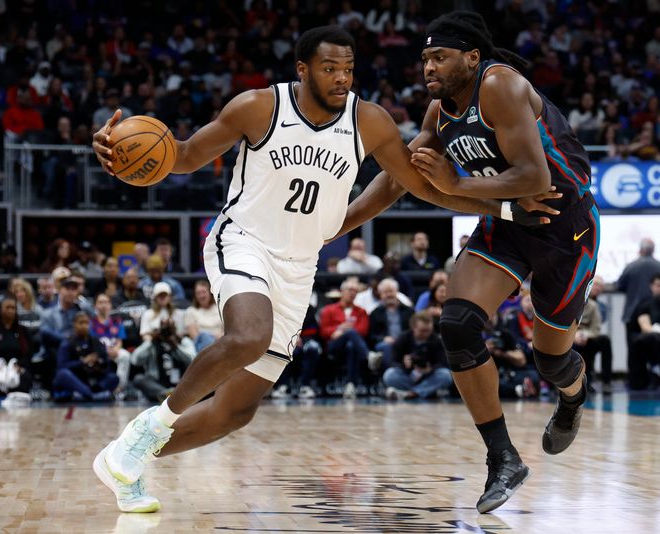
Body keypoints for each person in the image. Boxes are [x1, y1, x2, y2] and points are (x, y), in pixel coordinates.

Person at [90, 26, 523, 514]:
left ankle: (124, 457)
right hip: (244, 241)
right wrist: (121, 158)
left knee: (235, 411)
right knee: (249, 336)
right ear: (302, 70)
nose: (342, 78)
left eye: (348, 69)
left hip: (299, 266)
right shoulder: (258, 107)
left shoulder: (369, 121)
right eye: (329, 68)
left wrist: (502, 209)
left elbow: (416, 185)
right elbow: (186, 155)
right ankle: (152, 425)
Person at [333, 12, 593, 512]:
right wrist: (335, 228)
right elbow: (396, 177)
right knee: (456, 325)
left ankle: (574, 397)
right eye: (426, 58)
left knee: (552, 360)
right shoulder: (438, 111)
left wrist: (457, 186)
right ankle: (503, 458)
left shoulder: (501, 86)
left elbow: (535, 180)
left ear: (472, 57)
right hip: (508, 224)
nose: (429, 66)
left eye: (440, 56)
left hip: (567, 226)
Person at [383, 311, 452, 399]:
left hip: (429, 376)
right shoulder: (403, 338)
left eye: (429, 331)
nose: (426, 334)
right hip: (408, 376)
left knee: (446, 375)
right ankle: (425, 391)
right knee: (389, 375)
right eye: (423, 331)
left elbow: (443, 363)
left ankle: (410, 393)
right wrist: (404, 364)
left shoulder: (436, 340)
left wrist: (429, 369)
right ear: (413, 328)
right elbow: (392, 361)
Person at [320, 278, 370, 398]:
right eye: (350, 290)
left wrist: (342, 331)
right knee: (351, 333)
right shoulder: (329, 309)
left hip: (352, 346)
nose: (352, 293)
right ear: (342, 291)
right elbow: (323, 331)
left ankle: (350, 386)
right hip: (334, 345)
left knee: (352, 344)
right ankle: (369, 356)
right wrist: (337, 329)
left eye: (355, 291)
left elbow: (363, 331)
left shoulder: (361, 311)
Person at [53, 312, 118, 401]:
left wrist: (98, 361)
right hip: (76, 378)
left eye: (86, 323)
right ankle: (92, 395)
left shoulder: (95, 341)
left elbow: (106, 361)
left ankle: (86, 395)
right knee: (62, 374)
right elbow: (61, 366)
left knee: (113, 377)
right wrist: (83, 361)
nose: (84, 326)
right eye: (81, 323)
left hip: (92, 378)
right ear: (74, 324)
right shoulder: (67, 343)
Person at [0, 297, 34, 397]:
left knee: (23, 384)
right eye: (7, 307)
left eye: (13, 308)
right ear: (1, 310)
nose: (11, 310)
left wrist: (20, 366)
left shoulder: (22, 331)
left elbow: (29, 353)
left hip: (16, 368)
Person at [90, 293, 131, 393]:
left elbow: (119, 340)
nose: (103, 305)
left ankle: (119, 389)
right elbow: (92, 342)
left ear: (110, 305)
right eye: (100, 302)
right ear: (95, 305)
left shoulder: (117, 322)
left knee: (125, 355)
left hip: (114, 350)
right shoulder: (91, 323)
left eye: (106, 302)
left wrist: (116, 349)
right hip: (99, 352)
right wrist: (105, 351)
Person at [184, 280, 223, 352]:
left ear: (210, 293)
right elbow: (195, 336)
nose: (201, 296)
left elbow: (226, 331)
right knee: (204, 336)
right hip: (201, 346)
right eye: (198, 293)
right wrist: (212, 338)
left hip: (220, 342)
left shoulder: (219, 308)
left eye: (204, 292)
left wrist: (216, 338)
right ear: (195, 295)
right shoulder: (190, 311)